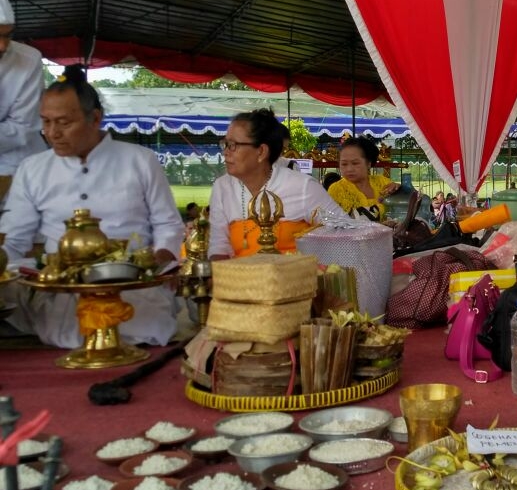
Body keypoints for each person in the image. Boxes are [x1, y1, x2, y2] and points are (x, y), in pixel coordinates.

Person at [0, 67, 184, 347]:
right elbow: (14, 240)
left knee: (139, 323)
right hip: (60, 291)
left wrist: (158, 261)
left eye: (63, 122)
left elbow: (168, 224)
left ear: (95, 118)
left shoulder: (140, 160)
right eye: (46, 122)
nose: (52, 133)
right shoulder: (32, 168)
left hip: (130, 287)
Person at [208, 108, 340, 259]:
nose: (225, 152)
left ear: (261, 152)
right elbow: (218, 245)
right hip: (239, 279)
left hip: (295, 279)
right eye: (225, 144)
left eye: (233, 145)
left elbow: (344, 234)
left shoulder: (304, 187)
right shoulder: (222, 187)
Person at [0, 0, 46, 207]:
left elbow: (22, 128)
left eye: (7, 35)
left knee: (19, 234)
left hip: (19, 166)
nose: (3, 46)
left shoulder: (29, 59)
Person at [327, 136, 400, 220]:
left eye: (355, 163)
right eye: (344, 164)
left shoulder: (383, 182)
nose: (349, 169)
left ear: (368, 163)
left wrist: (399, 190)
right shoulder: (336, 190)